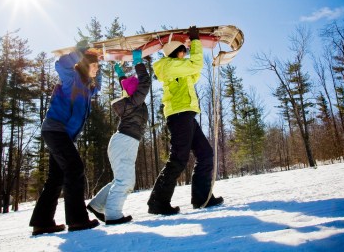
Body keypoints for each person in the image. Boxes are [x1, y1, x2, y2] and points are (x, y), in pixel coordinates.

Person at [147, 26, 223, 215]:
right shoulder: (170, 66)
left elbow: (194, 73)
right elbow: (195, 66)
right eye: (183, 51)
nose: (186, 53)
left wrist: (192, 47)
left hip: (186, 114)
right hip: (179, 116)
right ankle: (157, 202)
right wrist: (196, 42)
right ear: (175, 53)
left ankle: (201, 198)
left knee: (205, 154)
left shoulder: (178, 68)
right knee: (178, 159)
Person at [29, 43, 102, 235]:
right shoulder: (72, 78)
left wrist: (101, 62)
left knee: (57, 176)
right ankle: (77, 220)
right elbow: (60, 65)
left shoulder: (87, 88)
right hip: (55, 130)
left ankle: (42, 222)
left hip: (62, 135)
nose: (97, 69)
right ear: (86, 65)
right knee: (74, 168)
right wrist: (78, 52)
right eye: (95, 66)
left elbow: (97, 88)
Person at [87, 50, 150, 225]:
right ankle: (113, 215)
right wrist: (138, 62)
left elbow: (126, 83)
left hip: (121, 142)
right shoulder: (135, 101)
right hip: (125, 142)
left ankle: (98, 205)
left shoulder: (130, 99)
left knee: (120, 179)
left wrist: (118, 69)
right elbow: (145, 82)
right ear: (136, 91)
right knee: (126, 181)